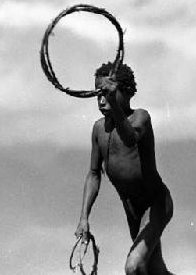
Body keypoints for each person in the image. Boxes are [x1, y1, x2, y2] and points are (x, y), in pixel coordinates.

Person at [75, 62, 174, 275]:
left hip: (155, 203)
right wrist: (84, 217)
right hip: (132, 211)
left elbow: (129, 138)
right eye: (98, 94)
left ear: (127, 93)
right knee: (154, 271)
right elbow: (94, 174)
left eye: (107, 93)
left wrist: (116, 106)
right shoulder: (98, 129)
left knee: (133, 267)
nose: (101, 99)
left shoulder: (140, 117)